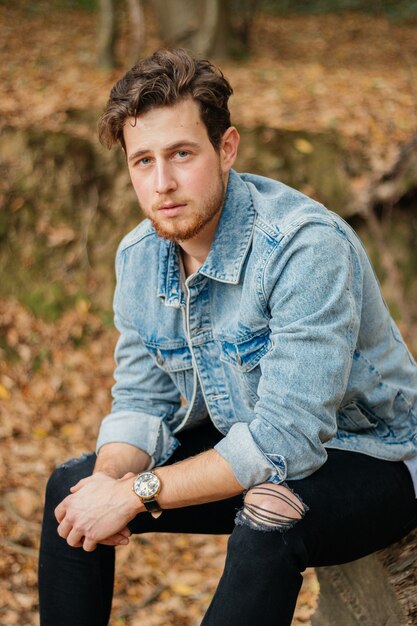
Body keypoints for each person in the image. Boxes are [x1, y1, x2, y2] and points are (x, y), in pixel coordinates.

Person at [38, 48, 417, 626]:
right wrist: (107, 484)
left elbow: (285, 442)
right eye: (143, 161)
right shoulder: (139, 257)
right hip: (252, 440)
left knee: (270, 513)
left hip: (375, 455)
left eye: (182, 154)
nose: (162, 183)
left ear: (227, 148)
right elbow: (143, 401)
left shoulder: (303, 247)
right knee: (74, 490)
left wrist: (138, 491)